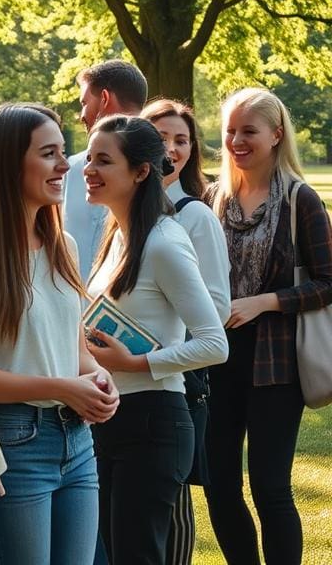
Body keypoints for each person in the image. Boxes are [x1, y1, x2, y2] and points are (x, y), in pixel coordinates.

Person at [0, 103, 119, 565]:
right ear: (7, 163)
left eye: (63, 151)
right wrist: (62, 387)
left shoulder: (64, 244)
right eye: (49, 154)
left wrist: (99, 377)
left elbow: (72, 345)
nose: (66, 165)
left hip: (77, 441)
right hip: (12, 445)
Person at [84, 115, 228, 565]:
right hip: (107, 420)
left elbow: (214, 342)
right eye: (88, 157)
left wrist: (135, 364)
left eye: (103, 160)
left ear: (141, 171)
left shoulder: (165, 240)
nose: (88, 169)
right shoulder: (116, 236)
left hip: (152, 424)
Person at [205, 88, 332, 565]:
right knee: (218, 484)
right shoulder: (211, 198)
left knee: (270, 487)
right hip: (215, 360)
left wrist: (264, 302)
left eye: (248, 131)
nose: (236, 140)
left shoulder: (300, 200)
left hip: (276, 367)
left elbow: (327, 282)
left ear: (276, 135)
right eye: (230, 131)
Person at [141, 98, 231, 565]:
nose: (171, 151)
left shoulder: (194, 216)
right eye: (159, 139)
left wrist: (145, 340)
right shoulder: (125, 212)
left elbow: (215, 310)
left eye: (182, 141)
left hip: (173, 381)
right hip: (122, 383)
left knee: (168, 510)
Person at [63, 61, 147, 281]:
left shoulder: (164, 170)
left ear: (105, 99)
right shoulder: (71, 170)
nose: (81, 115)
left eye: (84, 103)